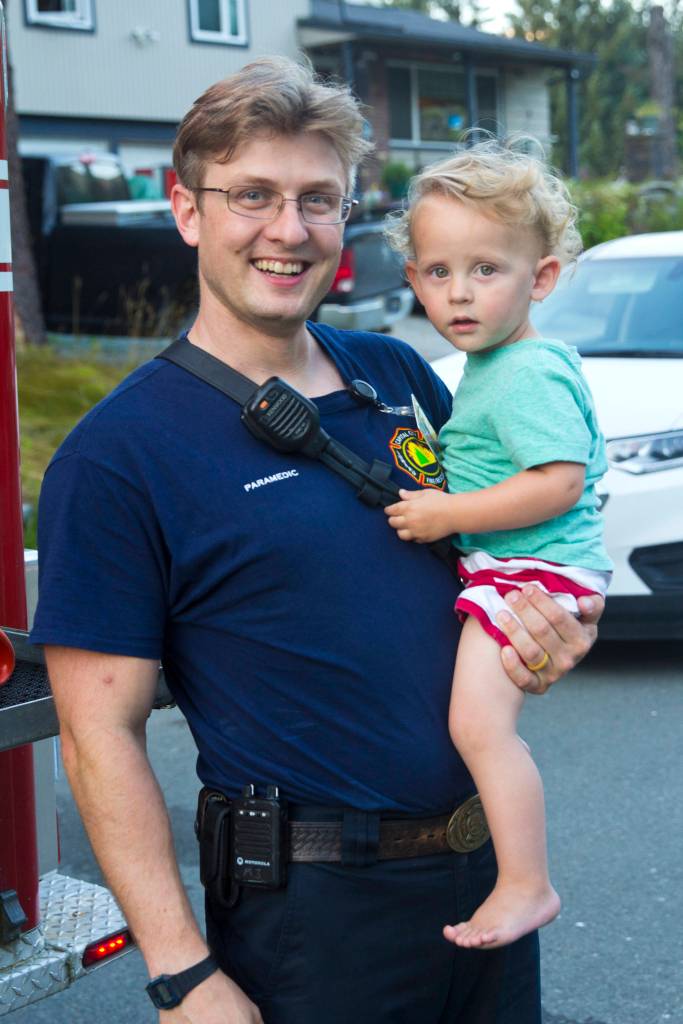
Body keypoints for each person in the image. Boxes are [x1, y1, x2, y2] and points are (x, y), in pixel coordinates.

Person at [32, 59, 603, 1024]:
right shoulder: (118, 456)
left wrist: (547, 637)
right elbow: (99, 737)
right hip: (316, 916)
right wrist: (180, 973)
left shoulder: (397, 375)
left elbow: (495, 556)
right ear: (186, 210)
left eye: (316, 200)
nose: (287, 231)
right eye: (252, 195)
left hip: (487, 878)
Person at [384, 142, 612, 951]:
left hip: (533, 569)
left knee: (479, 728)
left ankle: (526, 884)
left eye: (486, 269)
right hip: (522, 565)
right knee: (477, 724)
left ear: (539, 278)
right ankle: (519, 879)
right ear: (412, 281)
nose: (459, 293)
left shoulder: (521, 372)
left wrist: (449, 514)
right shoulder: (489, 364)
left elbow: (556, 481)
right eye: (438, 272)